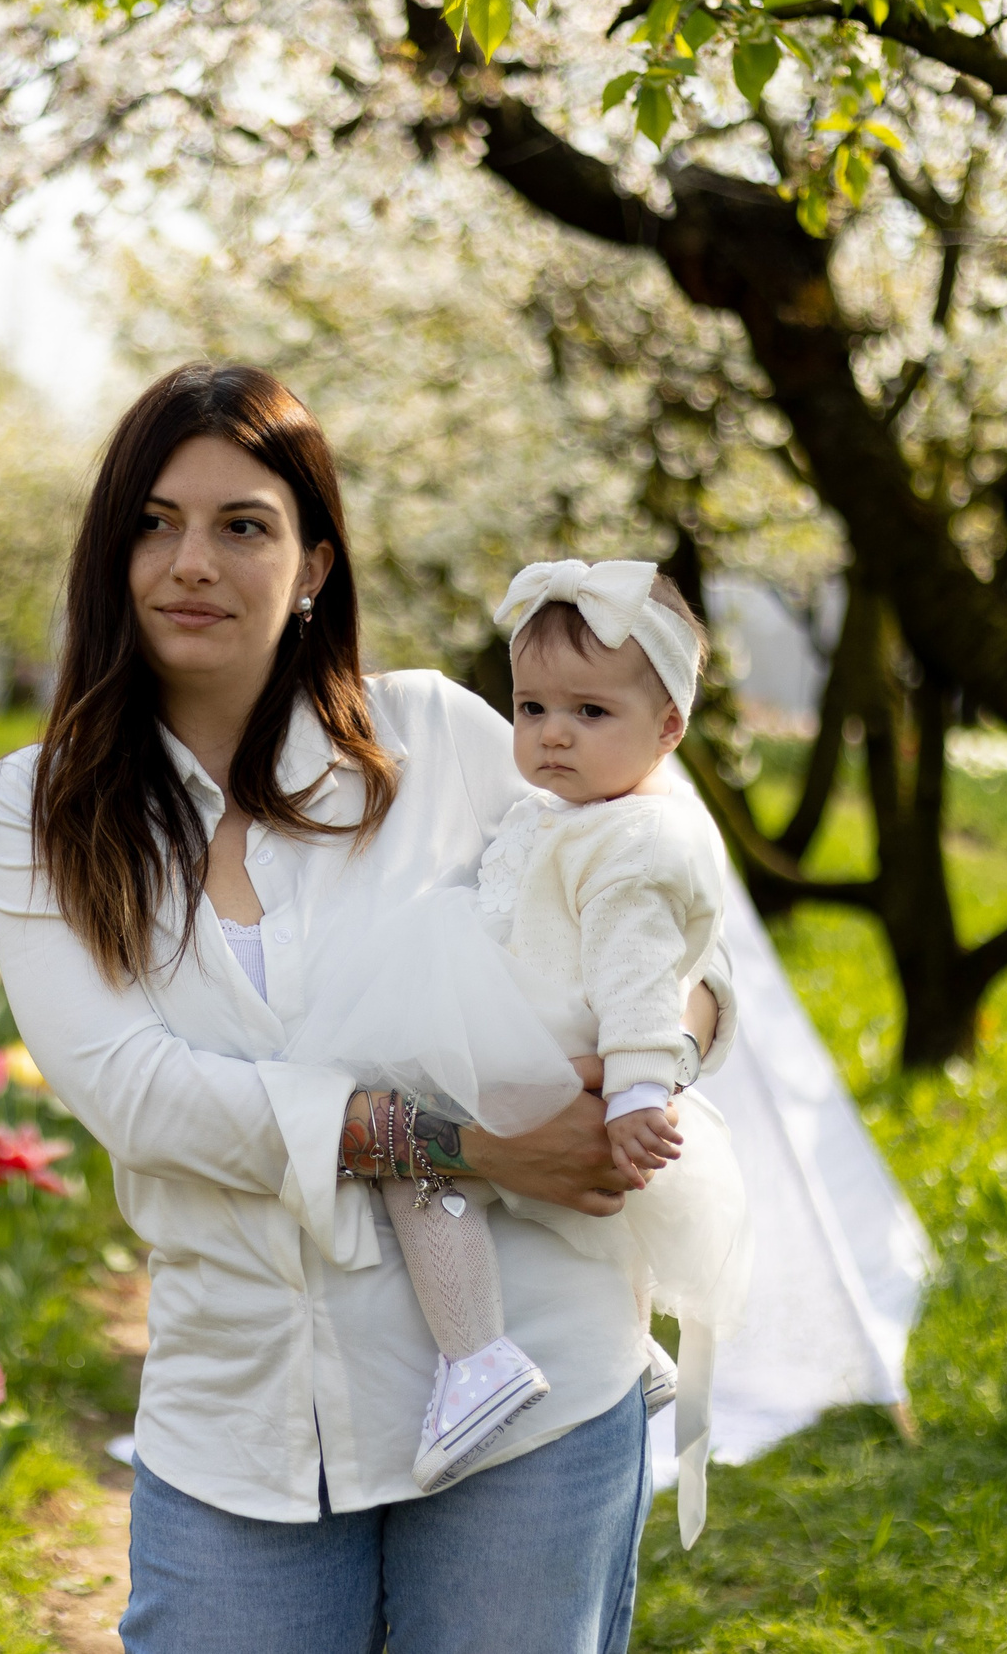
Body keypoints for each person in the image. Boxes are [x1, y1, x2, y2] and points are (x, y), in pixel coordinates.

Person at [0, 363, 730, 1652]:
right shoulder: (45, 806)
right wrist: (468, 1145)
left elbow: (674, 937)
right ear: (109, 554)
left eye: (242, 525)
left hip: (534, 1374)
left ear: (314, 562)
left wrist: (630, 1075)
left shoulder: (438, 738)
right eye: (153, 523)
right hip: (247, 1415)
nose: (190, 563)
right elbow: (140, 1094)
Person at [274, 558, 750, 1506]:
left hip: (551, 1035)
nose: (550, 735)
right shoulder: (571, 809)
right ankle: (632, 1346)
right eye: (532, 709)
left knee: (421, 1152)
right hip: (534, 1022)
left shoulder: (637, 843)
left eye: (589, 714)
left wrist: (641, 1087)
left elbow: (643, 978)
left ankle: (477, 1356)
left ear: (669, 730)